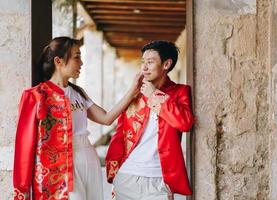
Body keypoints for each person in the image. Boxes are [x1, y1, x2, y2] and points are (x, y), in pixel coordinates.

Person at [13, 36, 142, 200]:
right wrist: (22, 189)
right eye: (77, 57)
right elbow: (24, 146)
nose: (81, 63)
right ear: (58, 61)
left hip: (88, 157)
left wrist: (132, 91)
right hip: (57, 167)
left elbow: (106, 118)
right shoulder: (36, 96)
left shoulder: (78, 93)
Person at [105, 40, 194, 200]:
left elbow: (184, 123)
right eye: (143, 62)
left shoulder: (180, 92)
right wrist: (114, 171)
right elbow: (120, 134)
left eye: (150, 62)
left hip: (159, 179)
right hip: (127, 176)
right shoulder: (135, 94)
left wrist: (154, 95)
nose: (144, 67)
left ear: (166, 64)